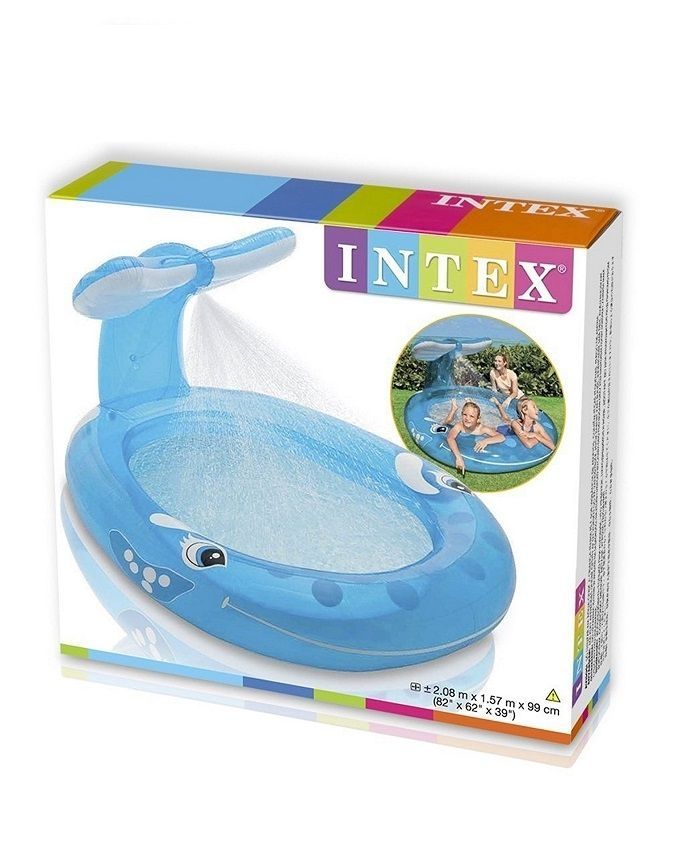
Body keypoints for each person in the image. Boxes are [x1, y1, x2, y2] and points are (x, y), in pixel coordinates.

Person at [442, 399, 505, 474]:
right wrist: (458, 457)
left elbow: (501, 437)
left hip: (478, 425)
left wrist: (486, 441)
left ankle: (471, 405)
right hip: (462, 425)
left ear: (477, 419)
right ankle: (454, 409)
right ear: (461, 415)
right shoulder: (459, 425)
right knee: (446, 422)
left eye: (471, 416)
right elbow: (450, 438)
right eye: (464, 415)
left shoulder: (482, 429)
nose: (467, 418)